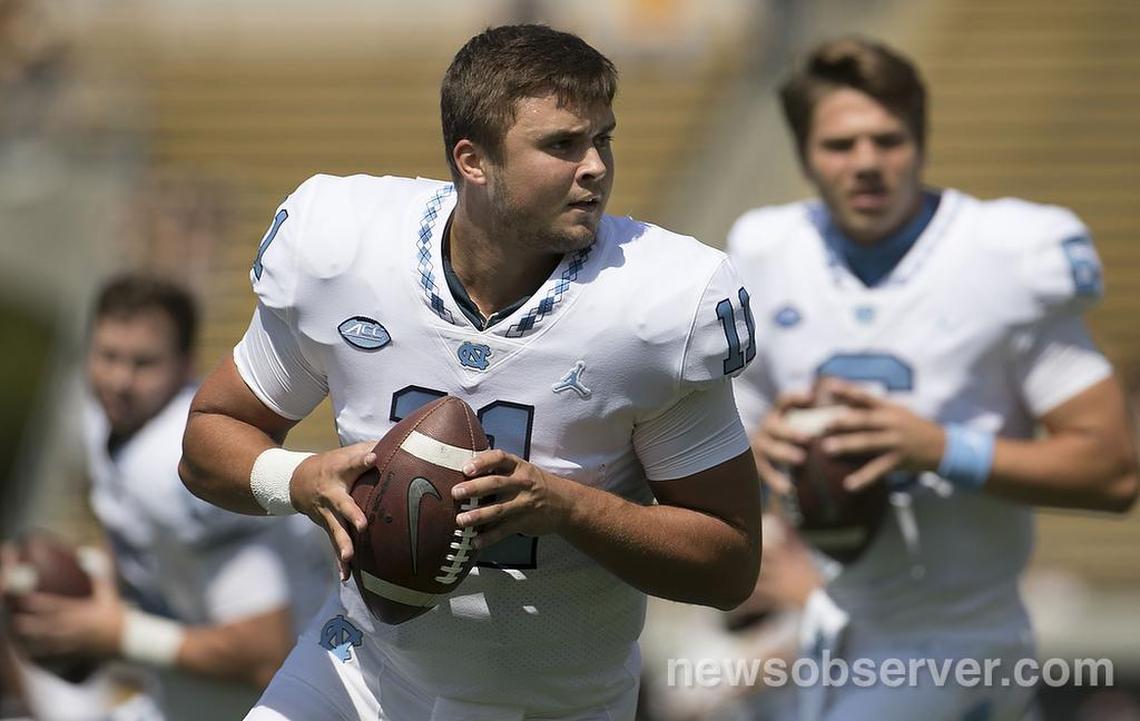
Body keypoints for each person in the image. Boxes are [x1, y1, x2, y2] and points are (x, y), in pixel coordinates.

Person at [178, 23, 762, 721]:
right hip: (359, 673)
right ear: (473, 160)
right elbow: (209, 438)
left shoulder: (654, 304)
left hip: (552, 706)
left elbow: (730, 561)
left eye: (601, 138)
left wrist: (569, 507)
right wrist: (295, 479)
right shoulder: (343, 251)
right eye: (561, 145)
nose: (596, 167)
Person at [727, 37, 1138, 720]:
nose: (866, 163)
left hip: (964, 634)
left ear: (919, 141)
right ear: (804, 153)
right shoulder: (767, 252)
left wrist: (940, 448)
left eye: (887, 140)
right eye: (840, 144)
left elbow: (1113, 470)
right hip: (829, 626)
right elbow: (728, 434)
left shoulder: (1008, 255)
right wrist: (762, 452)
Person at [4, 275, 333, 721]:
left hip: (271, 703)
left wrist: (116, 634)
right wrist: (86, 574)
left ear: (185, 366)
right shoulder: (103, 419)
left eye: (143, 363)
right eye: (108, 356)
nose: (119, 380)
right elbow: (137, 536)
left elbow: (264, 652)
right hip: (184, 695)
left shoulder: (176, 466)